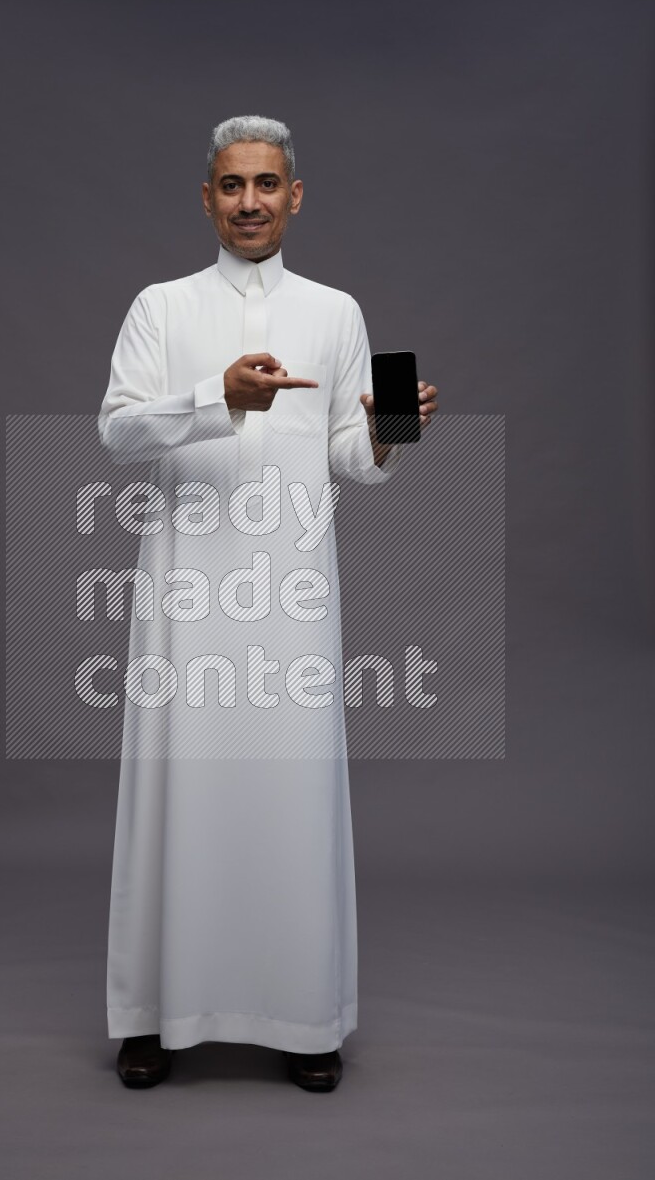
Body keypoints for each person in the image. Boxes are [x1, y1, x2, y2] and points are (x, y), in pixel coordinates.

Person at [97, 115, 438, 1092]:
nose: (249, 201)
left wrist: (387, 431)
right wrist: (219, 398)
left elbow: (350, 458)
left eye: (265, 184)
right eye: (231, 184)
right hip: (186, 590)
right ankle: (153, 1016)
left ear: (294, 196)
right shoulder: (161, 308)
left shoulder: (334, 312)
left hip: (291, 594)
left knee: (291, 797)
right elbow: (117, 431)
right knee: (177, 789)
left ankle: (302, 1018)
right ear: (207, 198)